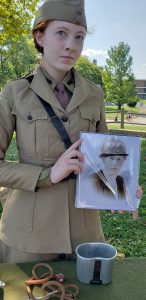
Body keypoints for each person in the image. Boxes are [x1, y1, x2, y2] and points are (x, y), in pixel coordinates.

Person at [0, 0, 108, 263]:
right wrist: (49, 174)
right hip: (29, 232)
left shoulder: (95, 94)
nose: (71, 44)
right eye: (61, 33)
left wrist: (122, 188)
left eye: (78, 37)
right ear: (40, 36)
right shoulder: (15, 92)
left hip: (85, 233)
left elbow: (106, 158)